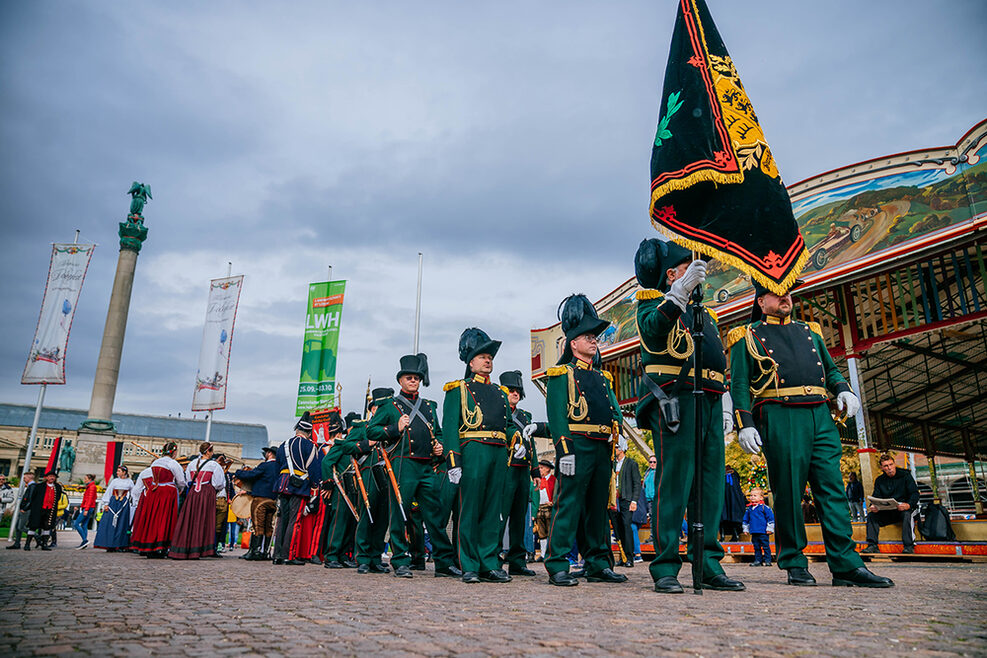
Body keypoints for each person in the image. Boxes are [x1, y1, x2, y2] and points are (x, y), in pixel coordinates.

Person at [729, 281, 893, 588]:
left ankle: (845, 564)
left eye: (788, 291)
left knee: (832, 489)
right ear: (761, 301)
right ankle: (793, 561)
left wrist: (843, 388)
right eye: (777, 293)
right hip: (780, 412)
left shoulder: (810, 331)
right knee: (789, 490)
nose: (786, 297)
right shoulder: (746, 336)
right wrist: (745, 422)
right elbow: (738, 384)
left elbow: (829, 369)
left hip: (820, 412)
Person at [633, 239, 743, 594]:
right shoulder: (653, 302)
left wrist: (725, 399)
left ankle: (708, 562)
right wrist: (678, 293)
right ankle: (665, 565)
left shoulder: (705, 313)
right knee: (675, 482)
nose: (699, 271)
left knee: (710, 485)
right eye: (687, 266)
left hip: (710, 398)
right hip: (678, 400)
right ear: (672, 273)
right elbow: (653, 331)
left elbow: (715, 357)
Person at [543, 294, 626, 587]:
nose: (593, 341)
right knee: (568, 504)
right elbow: (557, 416)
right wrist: (564, 450)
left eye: (595, 337)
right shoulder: (561, 374)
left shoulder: (603, 378)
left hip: (602, 446)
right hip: (576, 447)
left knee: (597, 507)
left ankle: (598, 562)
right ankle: (557, 564)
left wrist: (619, 436)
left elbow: (613, 409)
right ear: (572, 343)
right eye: (587, 337)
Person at [369, 355, 460, 578]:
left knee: (436, 516)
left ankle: (443, 563)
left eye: (417, 378)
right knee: (400, 514)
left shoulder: (428, 406)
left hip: (426, 467)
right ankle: (400, 560)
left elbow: (437, 432)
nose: (413, 381)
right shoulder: (390, 406)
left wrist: (439, 446)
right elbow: (371, 431)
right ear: (400, 381)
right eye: (409, 378)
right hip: (403, 465)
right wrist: (394, 428)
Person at [442, 327, 518, 584]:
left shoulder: (501, 392)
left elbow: (507, 426)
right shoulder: (458, 390)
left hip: (498, 453)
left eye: (490, 357)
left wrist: (515, 438)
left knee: (492, 510)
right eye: (482, 356)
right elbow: (450, 427)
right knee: (470, 509)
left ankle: (489, 562)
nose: (488, 360)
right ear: (470, 362)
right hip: (472, 450)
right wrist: (454, 461)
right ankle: (470, 564)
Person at [499, 369, 546, 577]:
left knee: (519, 517)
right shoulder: (499, 411)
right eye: (511, 390)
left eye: (518, 390)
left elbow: (531, 444)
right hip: (506, 469)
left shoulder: (525, 415)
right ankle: (493, 558)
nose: (515, 393)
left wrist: (535, 470)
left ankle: (517, 561)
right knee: (501, 517)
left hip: (522, 470)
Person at [322, 406, 378, 570]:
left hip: (355, 486)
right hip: (341, 488)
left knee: (351, 523)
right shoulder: (342, 443)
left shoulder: (360, 444)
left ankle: (343, 555)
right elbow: (327, 462)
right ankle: (331, 556)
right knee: (339, 522)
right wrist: (328, 484)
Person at [273, 411, 321, 565]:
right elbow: (313, 470)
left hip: (282, 483)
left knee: (282, 520)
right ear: (308, 432)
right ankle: (289, 555)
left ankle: (277, 555)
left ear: (297, 430)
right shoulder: (310, 446)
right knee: (294, 520)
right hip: (299, 486)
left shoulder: (283, 445)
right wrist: (315, 485)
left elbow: (277, 467)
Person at [169, 442, 226, 559]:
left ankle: (187, 546)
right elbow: (219, 483)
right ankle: (200, 548)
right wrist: (212, 489)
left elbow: (188, 480)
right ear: (209, 452)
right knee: (204, 520)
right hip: (206, 493)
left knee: (190, 519)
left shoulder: (192, 464)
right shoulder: (214, 465)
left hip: (193, 493)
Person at [131, 441, 187, 557]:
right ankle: (161, 546)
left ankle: (149, 545)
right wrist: (180, 489)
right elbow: (181, 481)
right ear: (174, 452)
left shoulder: (155, 463)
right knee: (165, 518)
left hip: (154, 491)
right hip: (167, 492)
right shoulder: (173, 463)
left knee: (153, 517)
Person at [863, 454, 920, 554]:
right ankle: (872, 545)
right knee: (871, 516)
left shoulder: (906, 475)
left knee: (907, 514)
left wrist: (908, 504)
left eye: (891, 464)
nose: (889, 468)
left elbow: (915, 493)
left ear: (894, 464)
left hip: (906, 509)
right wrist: (873, 506)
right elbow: (876, 496)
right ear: (882, 468)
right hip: (889, 511)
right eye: (886, 466)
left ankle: (909, 546)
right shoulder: (879, 480)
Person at [234, 445, 280, 561]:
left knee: (257, 526)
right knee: (268, 527)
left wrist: (238, 472)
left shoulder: (265, 465)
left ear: (269, 454)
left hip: (260, 500)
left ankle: (254, 551)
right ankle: (265, 551)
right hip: (272, 500)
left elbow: (251, 475)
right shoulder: (279, 467)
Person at [610, 438, 641, 568]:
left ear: (622, 449)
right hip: (613, 500)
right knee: (617, 528)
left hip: (626, 499)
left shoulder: (631, 464)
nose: (614, 450)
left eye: (616, 448)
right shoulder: (612, 464)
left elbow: (637, 483)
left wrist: (634, 500)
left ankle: (629, 557)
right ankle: (622, 556)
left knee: (626, 527)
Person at [94, 466, 134, 551]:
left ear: (124, 472)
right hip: (113, 503)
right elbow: (108, 491)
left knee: (122, 524)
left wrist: (133, 503)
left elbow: (133, 493)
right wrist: (106, 503)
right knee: (110, 524)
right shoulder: (115, 481)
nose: (117, 472)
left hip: (124, 504)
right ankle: (109, 544)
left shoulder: (130, 482)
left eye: (119, 471)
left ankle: (119, 544)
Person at [25, 470, 64, 550]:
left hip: (50, 510)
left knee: (47, 527)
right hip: (39, 509)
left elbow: (58, 497)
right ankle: (27, 544)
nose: (52, 478)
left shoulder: (57, 487)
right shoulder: (39, 486)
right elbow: (33, 497)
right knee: (33, 526)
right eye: (50, 476)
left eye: (53, 477)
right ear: (46, 477)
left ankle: (44, 544)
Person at [743, 489, 774, 567]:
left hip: (763, 532)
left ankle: (768, 560)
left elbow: (770, 518)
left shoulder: (765, 508)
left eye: (755, 495)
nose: (752, 497)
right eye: (751, 495)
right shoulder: (749, 509)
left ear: (761, 498)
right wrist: (746, 529)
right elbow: (746, 520)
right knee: (756, 547)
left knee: (765, 546)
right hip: (754, 531)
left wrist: (770, 529)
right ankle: (758, 560)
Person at [6, 471, 35, 550]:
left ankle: (38, 537)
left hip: (26, 510)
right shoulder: (30, 486)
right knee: (17, 526)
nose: (23, 479)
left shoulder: (32, 486)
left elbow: (31, 499)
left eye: (25, 478)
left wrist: (25, 508)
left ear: (29, 478)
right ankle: (17, 543)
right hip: (23, 509)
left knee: (21, 527)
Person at [533, 460, 555, 560]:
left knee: (550, 531)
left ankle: (550, 553)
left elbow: (556, 492)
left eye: (541, 468)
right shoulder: (538, 480)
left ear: (547, 469)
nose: (540, 470)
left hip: (549, 509)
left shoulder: (553, 480)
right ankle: (542, 553)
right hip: (540, 508)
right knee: (541, 533)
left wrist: (553, 502)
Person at [73, 474, 99, 549]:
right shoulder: (91, 486)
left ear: (89, 479)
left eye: (85, 479)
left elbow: (90, 499)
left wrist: (86, 509)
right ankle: (84, 542)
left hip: (88, 507)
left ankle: (85, 540)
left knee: (76, 523)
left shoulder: (91, 487)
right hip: (89, 507)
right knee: (84, 525)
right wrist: (82, 487)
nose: (84, 480)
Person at [722, 465, 746, 542]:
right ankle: (734, 535)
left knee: (727, 517)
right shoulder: (734, 476)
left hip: (727, 502)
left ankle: (730, 536)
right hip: (733, 503)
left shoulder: (728, 476)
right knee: (733, 517)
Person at [642, 455, 656, 545]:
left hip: (656, 499)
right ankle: (652, 536)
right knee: (651, 518)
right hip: (648, 499)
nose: (652, 464)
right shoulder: (647, 472)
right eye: (650, 462)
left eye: (654, 462)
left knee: (657, 518)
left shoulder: (658, 472)